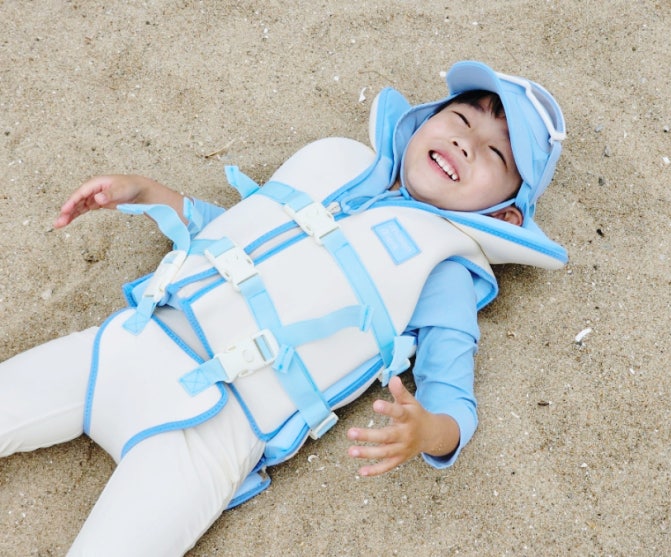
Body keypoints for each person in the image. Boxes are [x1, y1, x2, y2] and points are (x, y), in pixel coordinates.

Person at [0, 60, 567, 556]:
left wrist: (428, 432)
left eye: (496, 153)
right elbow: (235, 236)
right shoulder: (337, 163)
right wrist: (149, 194)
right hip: (131, 342)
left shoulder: (444, 270)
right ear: (423, 121)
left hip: (210, 438)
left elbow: (455, 403)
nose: (467, 142)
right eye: (462, 118)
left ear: (505, 216)